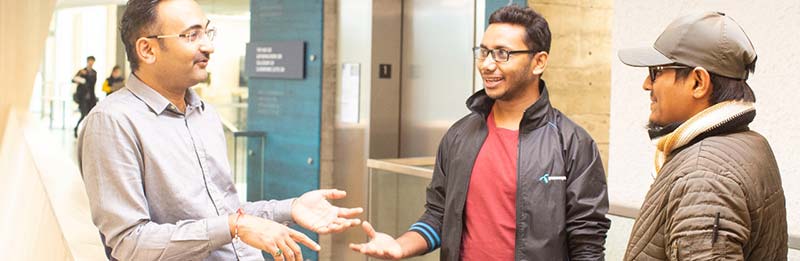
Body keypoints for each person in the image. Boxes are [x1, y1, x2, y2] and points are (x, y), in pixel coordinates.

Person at [78, 0, 362, 260]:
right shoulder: (112, 122)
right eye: (191, 35)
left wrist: (290, 209)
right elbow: (130, 243)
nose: (208, 47)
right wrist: (232, 226)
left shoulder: (204, 114)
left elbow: (222, 211)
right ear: (147, 49)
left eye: (207, 32)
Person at [350, 5, 610, 260]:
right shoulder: (460, 136)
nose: (486, 64)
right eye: (483, 51)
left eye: (502, 54)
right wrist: (400, 246)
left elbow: (587, 243)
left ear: (539, 62)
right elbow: (439, 214)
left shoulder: (573, 144)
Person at [618, 11, 787, 260]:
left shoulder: (703, 176)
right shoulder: (749, 143)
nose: (646, 84)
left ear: (698, 82)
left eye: (656, 71)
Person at [72, 55, 98, 137]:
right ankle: (76, 128)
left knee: (90, 115)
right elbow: (73, 80)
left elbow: (92, 82)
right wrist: (81, 76)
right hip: (82, 97)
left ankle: (88, 132)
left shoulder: (94, 72)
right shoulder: (81, 71)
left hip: (91, 97)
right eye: (89, 61)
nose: (91, 63)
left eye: (92, 61)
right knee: (83, 114)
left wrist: (85, 75)